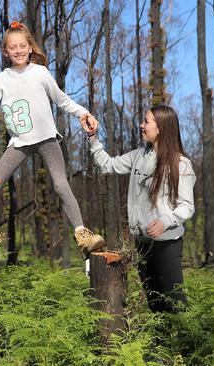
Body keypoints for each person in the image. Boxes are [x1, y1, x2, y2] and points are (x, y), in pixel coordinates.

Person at [0, 21, 105, 256]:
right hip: (19, 142)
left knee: (60, 184)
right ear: (6, 52)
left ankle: (82, 233)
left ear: (30, 48)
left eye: (22, 46)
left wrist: (84, 112)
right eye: (13, 47)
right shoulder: (1, 80)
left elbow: (62, 100)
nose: (18, 50)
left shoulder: (40, 73)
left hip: (47, 139)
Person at [82, 105, 196, 312]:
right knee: (155, 306)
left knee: (174, 304)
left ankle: (187, 343)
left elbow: (187, 206)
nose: (141, 125)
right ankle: (162, 344)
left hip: (167, 245)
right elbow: (107, 164)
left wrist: (165, 222)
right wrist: (92, 138)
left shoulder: (181, 164)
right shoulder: (138, 156)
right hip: (142, 245)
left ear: (161, 127)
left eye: (146, 121)